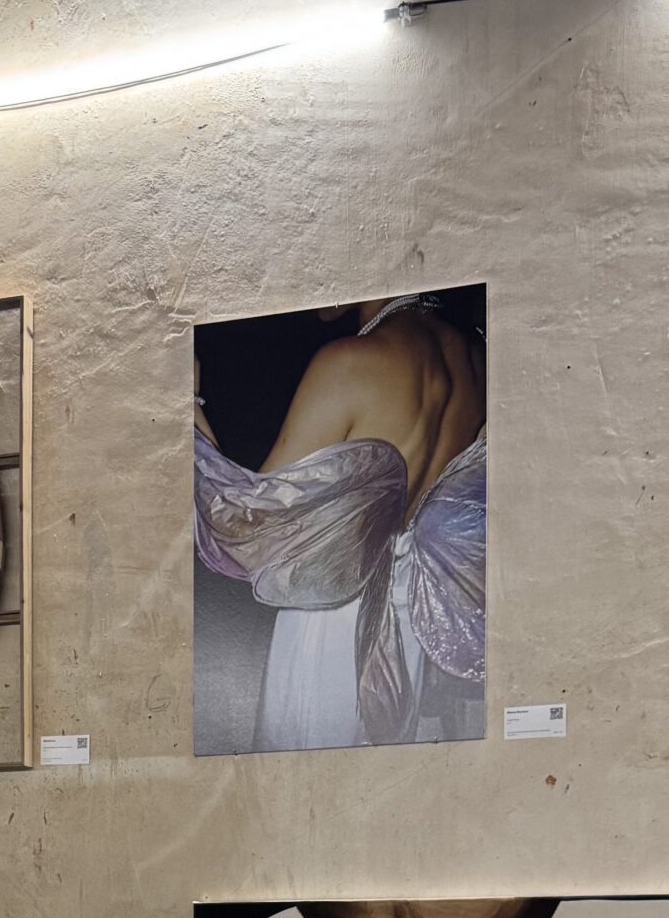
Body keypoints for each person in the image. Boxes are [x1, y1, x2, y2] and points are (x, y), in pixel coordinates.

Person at [194, 294, 487, 751]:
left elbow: (247, 528)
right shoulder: (475, 362)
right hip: (408, 627)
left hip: (329, 622)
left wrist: (184, 406)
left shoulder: (350, 363)